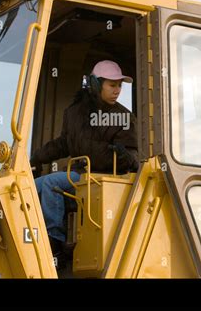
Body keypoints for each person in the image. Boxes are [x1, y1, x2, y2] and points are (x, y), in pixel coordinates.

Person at [30, 60, 138, 258]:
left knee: (52, 183)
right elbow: (64, 143)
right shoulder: (73, 113)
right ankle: (32, 241)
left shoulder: (124, 116)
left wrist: (126, 158)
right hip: (80, 174)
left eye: (119, 85)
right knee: (30, 187)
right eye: (112, 85)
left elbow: (132, 155)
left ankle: (54, 243)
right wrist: (36, 158)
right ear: (96, 85)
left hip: (104, 177)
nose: (117, 90)